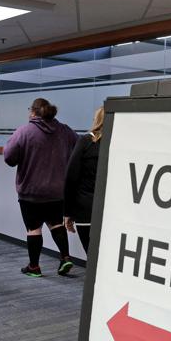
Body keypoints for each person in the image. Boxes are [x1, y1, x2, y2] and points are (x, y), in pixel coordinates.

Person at [4, 98, 78, 277]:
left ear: (33, 112)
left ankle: (34, 267)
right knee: (56, 224)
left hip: (31, 191)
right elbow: (78, 149)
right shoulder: (65, 131)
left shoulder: (24, 131)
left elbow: (9, 158)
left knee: (33, 228)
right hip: (57, 191)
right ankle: (65, 258)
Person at [64, 106, 103, 254]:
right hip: (110, 209)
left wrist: (68, 212)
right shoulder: (118, 143)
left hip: (86, 208)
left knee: (92, 253)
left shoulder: (86, 141)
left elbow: (71, 177)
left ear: (97, 120)